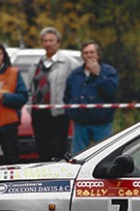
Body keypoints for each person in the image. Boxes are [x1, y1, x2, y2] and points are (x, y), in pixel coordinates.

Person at [30, 26, 81, 161]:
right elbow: (31, 87)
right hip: (39, 112)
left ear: (58, 43)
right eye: (45, 41)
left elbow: (78, 83)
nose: (48, 43)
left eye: (51, 40)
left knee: (58, 148)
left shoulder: (69, 62)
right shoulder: (36, 63)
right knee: (42, 147)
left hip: (59, 112)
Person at [64, 41, 118, 154]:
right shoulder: (75, 74)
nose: (89, 55)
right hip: (80, 124)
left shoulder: (109, 72)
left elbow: (111, 90)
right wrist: (71, 112)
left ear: (98, 55)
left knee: (105, 154)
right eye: (85, 53)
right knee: (78, 156)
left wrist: (98, 74)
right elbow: (67, 96)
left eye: (92, 52)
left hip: (102, 123)